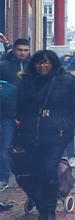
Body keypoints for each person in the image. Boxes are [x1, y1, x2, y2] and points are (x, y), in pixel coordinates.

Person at [13, 50, 75, 220]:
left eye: (46, 62)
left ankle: (50, 214)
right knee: (34, 174)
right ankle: (42, 213)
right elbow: (19, 108)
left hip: (57, 133)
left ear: (53, 63)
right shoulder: (27, 81)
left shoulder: (67, 81)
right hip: (31, 134)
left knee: (49, 170)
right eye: (39, 63)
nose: (42, 66)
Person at [0, 37, 30, 205]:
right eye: (20, 50)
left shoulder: (32, 66)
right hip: (7, 112)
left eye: (25, 50)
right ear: (14, 50)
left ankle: (26, 177)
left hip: (27, 113)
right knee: (4, 147)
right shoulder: (3, 65)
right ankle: (3, 178)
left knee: (27, 147)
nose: (23, 53)